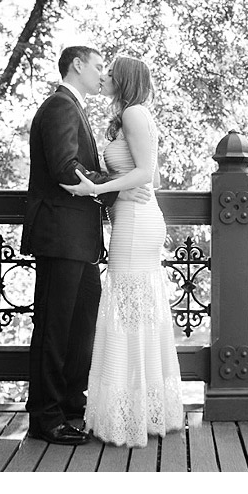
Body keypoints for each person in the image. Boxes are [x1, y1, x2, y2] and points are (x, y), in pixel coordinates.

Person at [20, 45, 149, 446]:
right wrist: (114, 193)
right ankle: (45, 418)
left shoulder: (74, 108)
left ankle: (72, 408)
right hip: (60, 237)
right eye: (97, 67)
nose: (101, 74)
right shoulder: (59, 106)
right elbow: (63, 167)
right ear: (77, 65)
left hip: (80, 240)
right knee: (54, 330)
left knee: (80, 330)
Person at [60, 55, 184, 447]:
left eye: (111, 72)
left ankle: (132, 414)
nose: (105, 76)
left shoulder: (134, 113)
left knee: (128, 310)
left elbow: (147, 175)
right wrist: (116, 183)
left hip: (135, 221)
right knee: (133, 312)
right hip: (130, 215)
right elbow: (152, 172)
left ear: (126, 79)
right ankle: (138, 409)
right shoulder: (130, 115)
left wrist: (95, 189)